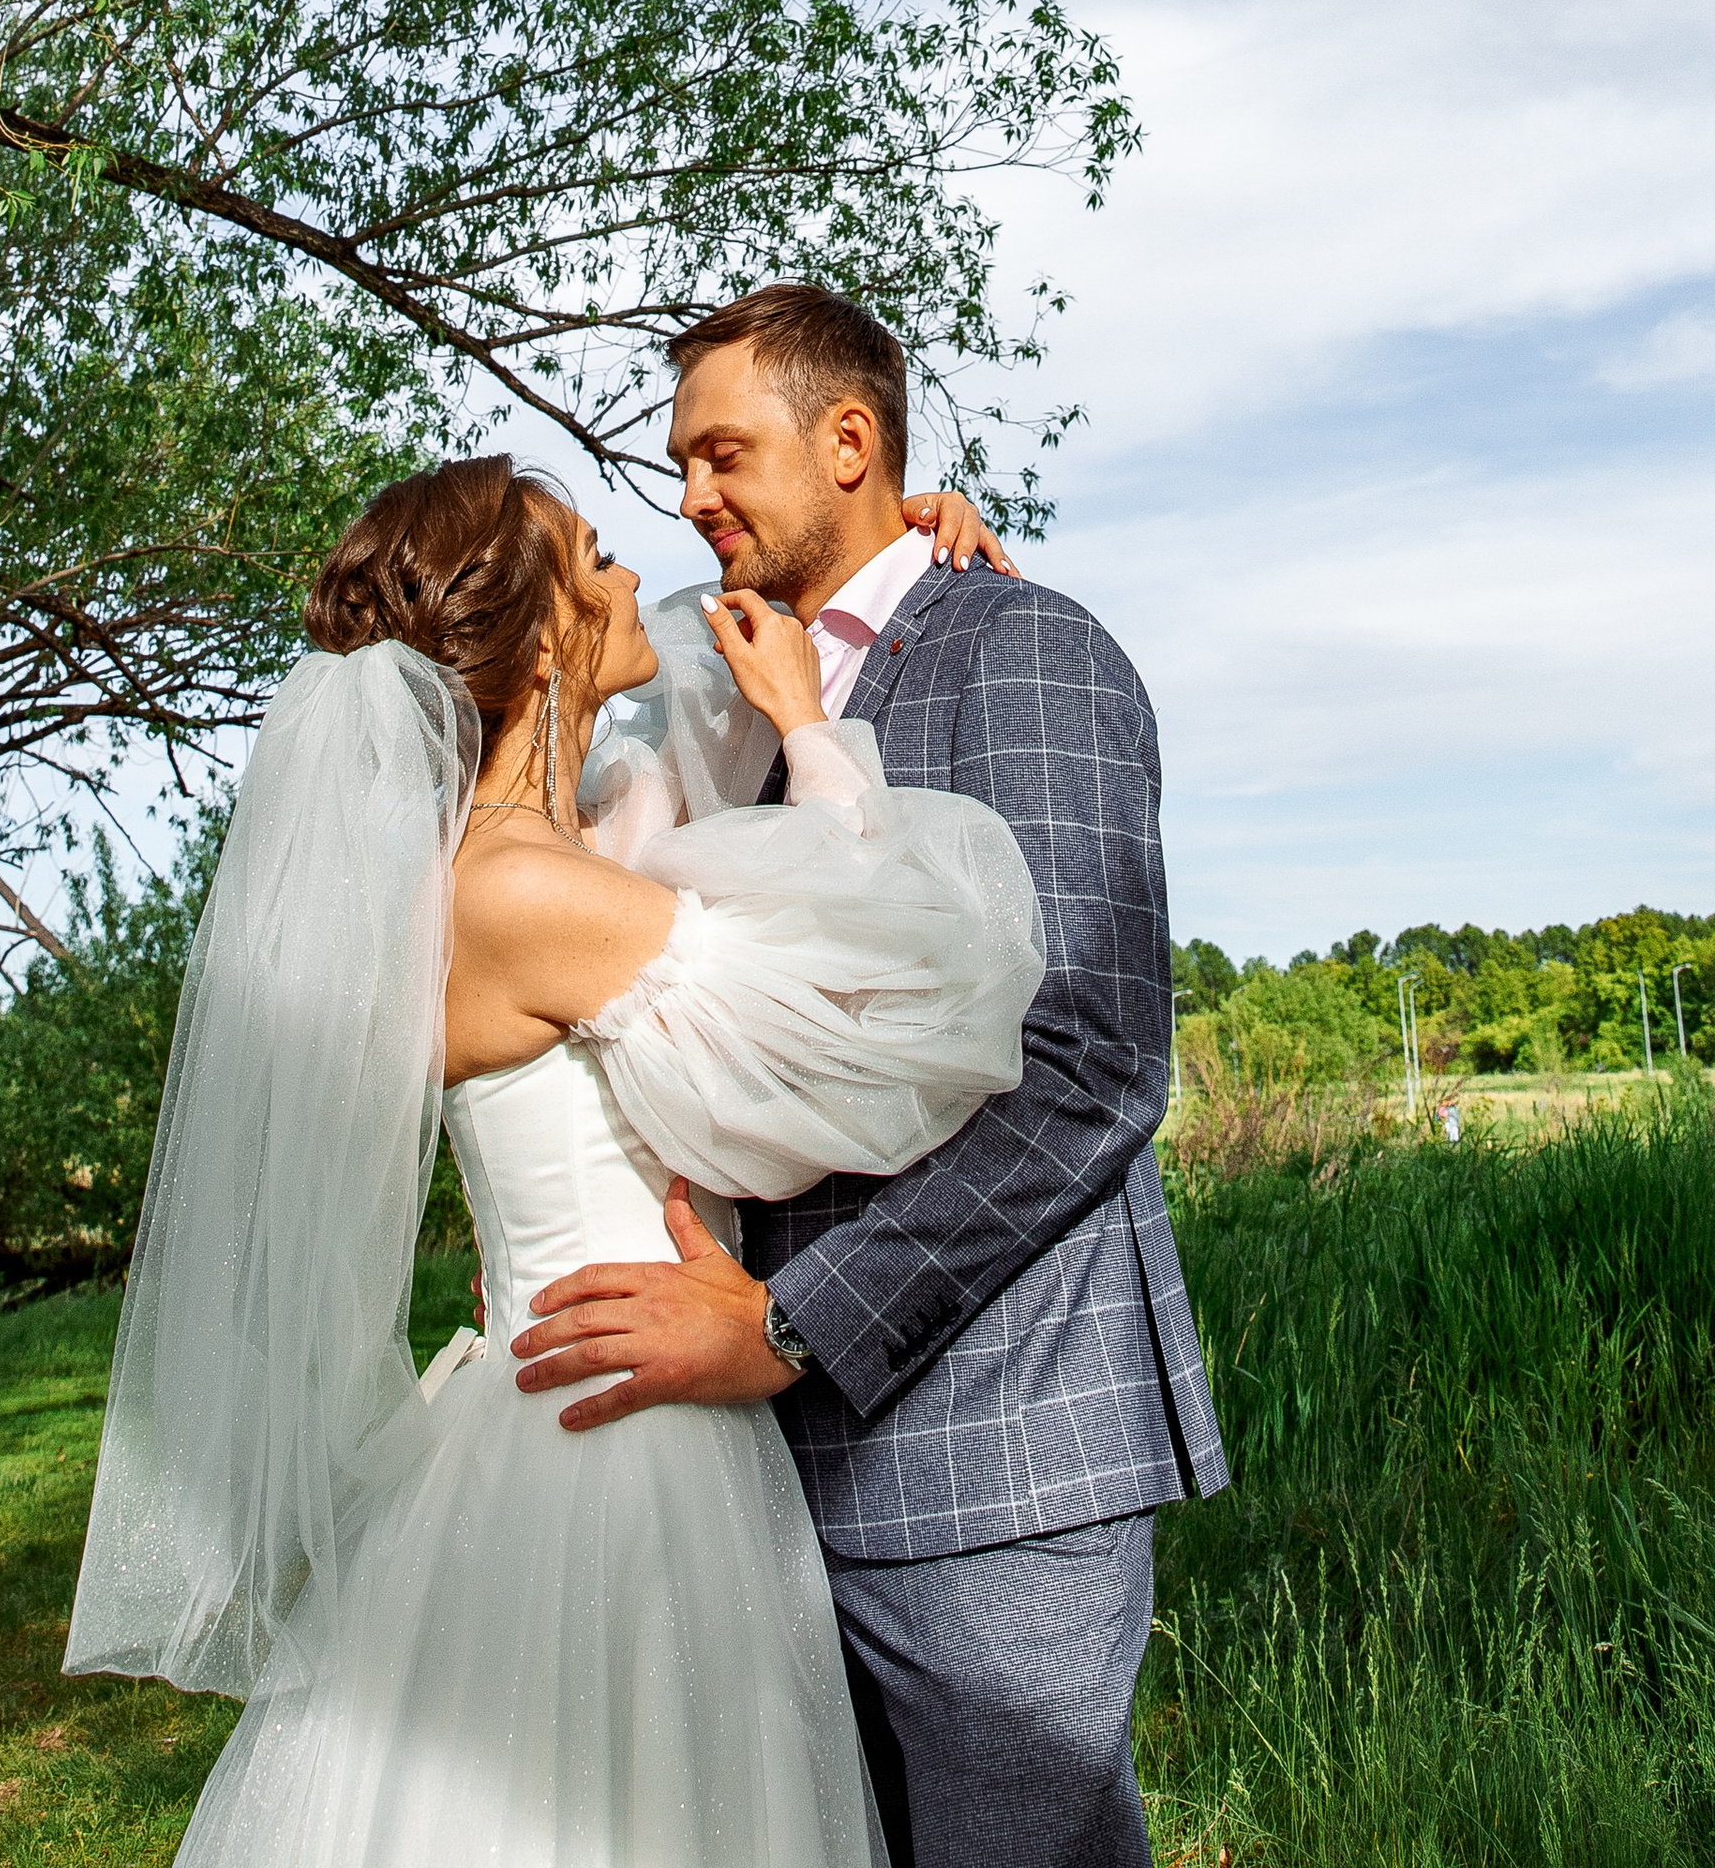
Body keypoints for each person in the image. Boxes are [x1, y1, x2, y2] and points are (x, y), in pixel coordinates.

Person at [65, 455, 1047, 1866]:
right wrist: (813, 731)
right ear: (536, 636)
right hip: (621, 1448)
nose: (635, 570)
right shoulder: (522, 888)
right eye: (595, 557)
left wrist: (893, 536)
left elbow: (682, 754)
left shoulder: (563, 841)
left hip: (574, 1402)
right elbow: (898, 1007)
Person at [514, 285, 1228, 1868]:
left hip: (996, 1457)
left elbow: (1094, 1058)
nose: (689, 497)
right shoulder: (733, 695)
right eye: (680, 461)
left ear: (850, 442)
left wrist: (790, 1328)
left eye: (721, 453)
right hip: (766, 1472)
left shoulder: (1020, 645)